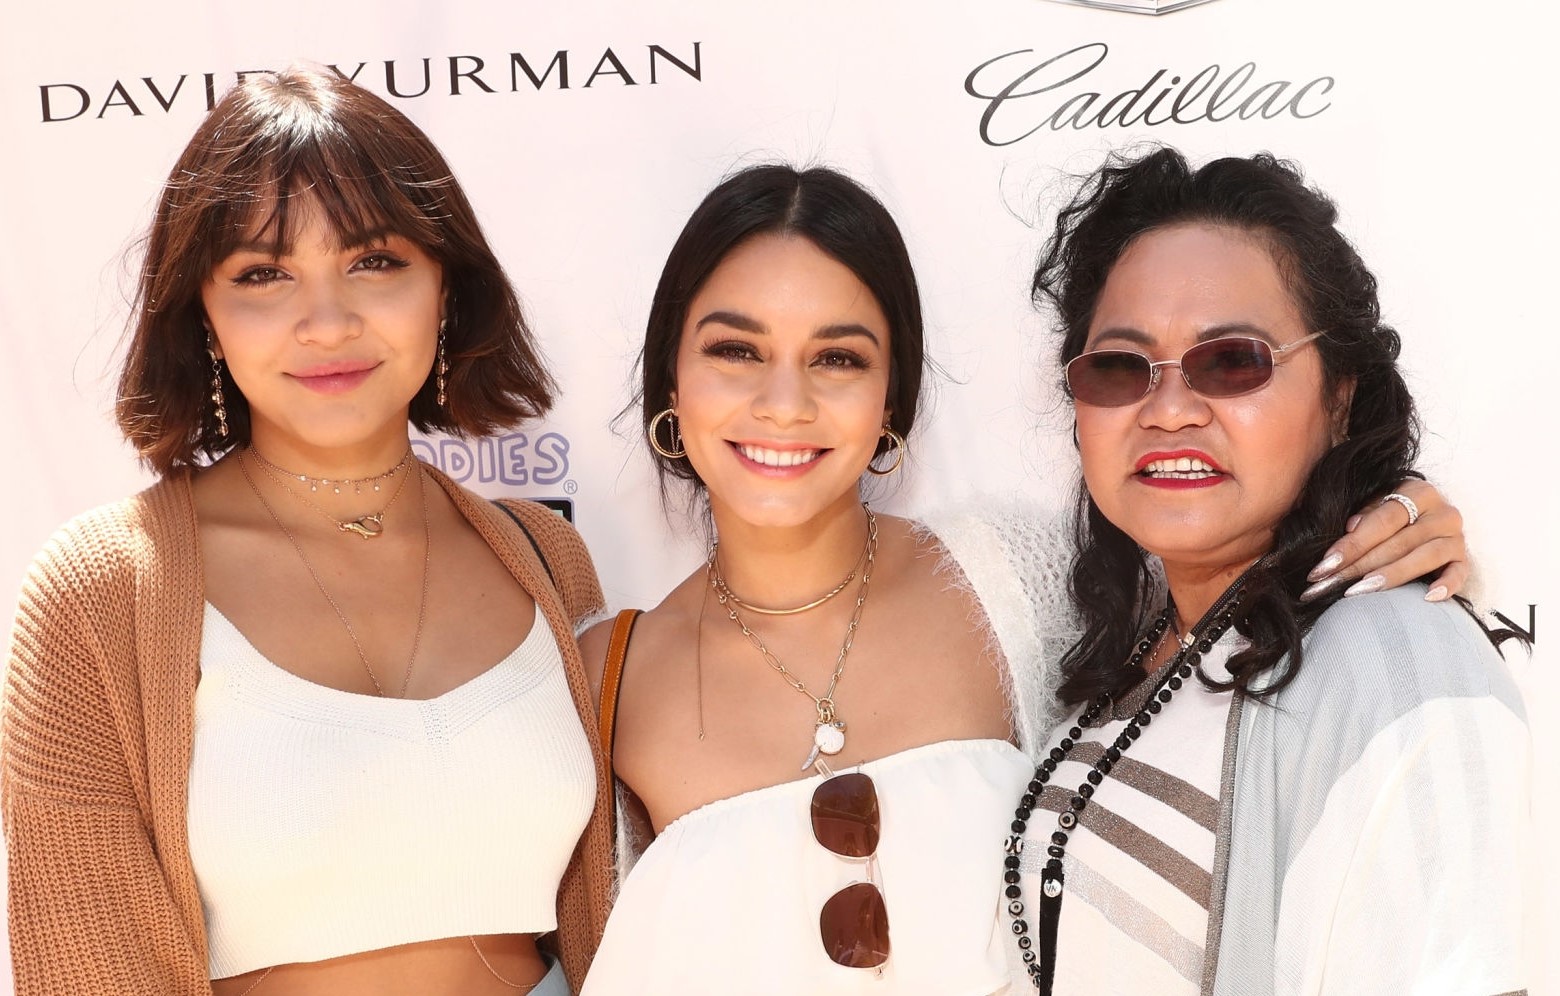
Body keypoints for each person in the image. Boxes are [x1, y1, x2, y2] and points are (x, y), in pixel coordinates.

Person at [576, 163, 1470, 995]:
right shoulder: (600, 682)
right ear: (671, 378)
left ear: (895, 397)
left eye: (838, 357)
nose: (784, 402)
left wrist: (1385, 500)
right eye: (734, 349)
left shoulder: (1017, 575)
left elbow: (1235, 599)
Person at [2, 68, 612, 996]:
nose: (327, 322)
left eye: (374, 261)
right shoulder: (104, 588)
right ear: (202, 316)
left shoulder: (541, 555)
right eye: (263, 275)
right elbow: (85, 953)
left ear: (445, 285)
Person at [1002, 147, 1529, 995]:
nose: (1168, 408)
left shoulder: (1394, 664)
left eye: (1233, 361)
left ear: (1341, 395)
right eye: (1118, 368)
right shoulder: (1136, 649)